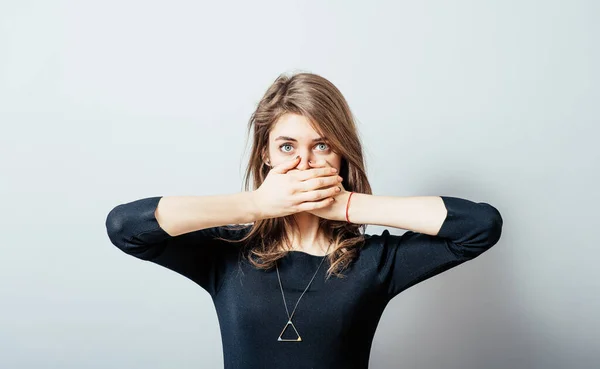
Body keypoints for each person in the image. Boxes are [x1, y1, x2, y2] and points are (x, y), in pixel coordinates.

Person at [105, 72, 503, 369]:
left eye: (322, 146)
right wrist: (257, 205)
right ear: (266, 155)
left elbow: (480, 226)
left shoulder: (374, 261)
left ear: (342, 156)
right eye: (287, 146)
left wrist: (348, 207)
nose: (304, 163)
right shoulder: (225, 253)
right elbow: (126, 228)